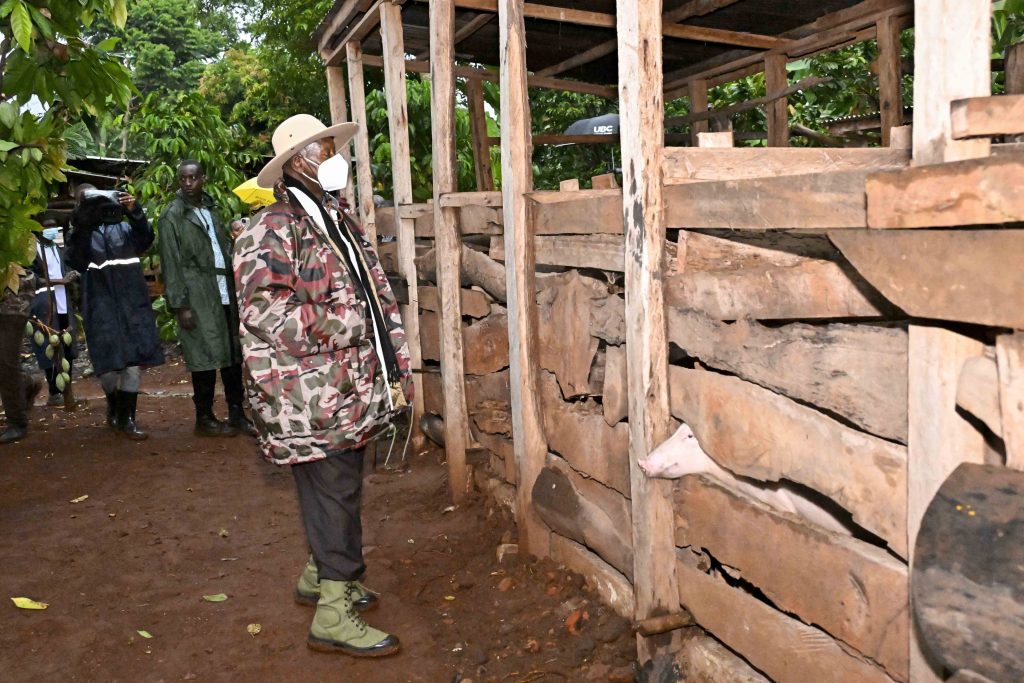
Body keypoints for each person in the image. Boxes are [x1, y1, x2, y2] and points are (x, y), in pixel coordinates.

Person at [234, 114, 414, 658]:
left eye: (334, 148)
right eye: (323, 150)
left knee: (341, 482)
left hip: (343, 389)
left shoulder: (332, 218)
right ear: (296, 165)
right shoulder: (272, 227)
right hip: (307, 396)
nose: (335, 158)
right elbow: (264, 311)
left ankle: (322, 573)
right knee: (333, 489)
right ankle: (333, 612)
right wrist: (348, 322)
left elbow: (365, 290)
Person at [158, 160, 256, 438]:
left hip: (222, 287)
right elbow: (171, 262)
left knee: (231, 352)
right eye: (183, 179)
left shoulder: (211, 209)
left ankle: (237, 412)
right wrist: (180, 305)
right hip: (196, 291)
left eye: (193, 178)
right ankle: (204, 416)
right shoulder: (172, 215)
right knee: (202, 354)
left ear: (204, 178)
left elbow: (221, 247)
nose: (188, 183)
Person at [66, 185, 164, 440]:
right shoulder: (81, 235)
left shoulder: (124, 228)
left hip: (132, 303)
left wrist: (135, 212)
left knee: (133, 362)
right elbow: (75, 260)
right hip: (100, 307)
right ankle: (114, 403)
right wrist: (82, 227)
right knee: (108, 368)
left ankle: (127, 419)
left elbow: (146, 239)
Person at [30, 220, 79, 406]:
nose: (52, 229)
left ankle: (67, 389)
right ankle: (54, 391)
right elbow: (31, 278)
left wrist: (71, 275)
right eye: (47, 226)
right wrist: (59, 281)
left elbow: (64, 270)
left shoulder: (56, 248)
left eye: (54, 226)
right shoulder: (31, 250)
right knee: (49, 346)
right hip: (44, 303)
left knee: (67, 345)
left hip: (62, 302)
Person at [0, 264, 42, 444]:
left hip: (12, 302)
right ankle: (25, 384)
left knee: (5, 361)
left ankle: (17, 422)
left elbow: (29, 268)